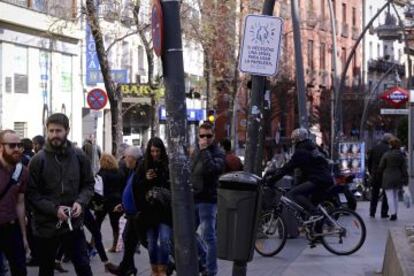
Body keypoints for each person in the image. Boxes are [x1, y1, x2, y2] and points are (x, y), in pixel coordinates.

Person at [27, 113, 94, 276]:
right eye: (51, 131)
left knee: (83, 266)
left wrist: (80, 201)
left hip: (74, 223)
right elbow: (32, 194)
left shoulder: (79, 156)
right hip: (46, 226)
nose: (54, 135)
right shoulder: (38, 160)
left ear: (67, 131)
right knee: (46, 269)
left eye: (58, 131)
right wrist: (54, 209)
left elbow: (88, 184)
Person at [265, 128, 334, 216]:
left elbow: (287, 168)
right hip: (325, 178)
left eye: (293, 139)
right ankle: (319, 225)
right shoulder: (313, 147)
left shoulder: (301, 151)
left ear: (297, 139)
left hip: (317, 180)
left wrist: (271, 180)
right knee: (311, 206)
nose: (293, 141)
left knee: (294, 193)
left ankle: (316, 213)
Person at [134, 137, 172, 276]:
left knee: (165, 240)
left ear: (162, 150)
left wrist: (161, 176)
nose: (155, 154)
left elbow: (171, 186)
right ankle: (154, 269)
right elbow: (136, 187)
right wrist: (146, 179)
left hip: (165, 210)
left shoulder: (167, 164)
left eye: (157, 151)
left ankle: (163, 269)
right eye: (152, 151)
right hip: (149, 211)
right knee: (151, 243)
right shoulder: (143, 164)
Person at [191, 122, 225, 276]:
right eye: (202, 135)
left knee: (209, 236)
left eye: (208, 136)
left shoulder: (217, 152)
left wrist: (204, 150)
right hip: (194, 198)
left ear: (213, 136)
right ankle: (204, 256)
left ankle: (211, 270)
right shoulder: (196, 152)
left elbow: (212, 169)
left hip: (208, 200)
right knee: (188, 232)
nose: (205, 138)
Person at [107, 146, 142, 276]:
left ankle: (168, 262)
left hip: (137, 214)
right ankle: (128, 268)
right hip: (131, 212)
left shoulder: (139, 170)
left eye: (126, 157)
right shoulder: (133, 170)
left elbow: (139, 191)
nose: (124, 159)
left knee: (145, 241)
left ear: (132, 158)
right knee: (128, 239)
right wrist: (124, 204)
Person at [0, 130, 29, 276]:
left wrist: (23, 236)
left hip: (12, 228)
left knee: (20, 270)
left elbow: (20, 203)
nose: (17, 149)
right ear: (1, 147)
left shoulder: (22, 171)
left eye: (19, 145)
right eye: (12, 146)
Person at [94, 153, 124, 253]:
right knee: (115, 224)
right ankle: (115, 245)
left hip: (104, 201)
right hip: (117, 201)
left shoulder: (102, 173)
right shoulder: (119, 172)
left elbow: (98, 188)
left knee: (97, 223)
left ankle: (92, 243)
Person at [378, 137, 408, 221]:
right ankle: (395, 213)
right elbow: (404, 168)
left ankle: (393, 214)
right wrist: (405, 179)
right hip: (398, 177)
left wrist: (379, 174)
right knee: (395, 196)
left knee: (390, 197)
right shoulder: (401, 155)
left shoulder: (386, 154)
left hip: (387, 177)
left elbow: (381, 166)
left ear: (391, 145)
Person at [367, 133, 393, 218]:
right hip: (386, 174)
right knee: (386, 195)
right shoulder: (389, 149)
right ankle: (384, 213)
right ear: (388, 140)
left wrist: (371, 172)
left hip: (375, 174)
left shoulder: (375, 148)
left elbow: (369, 161)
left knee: (375, 194)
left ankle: (372, 212)